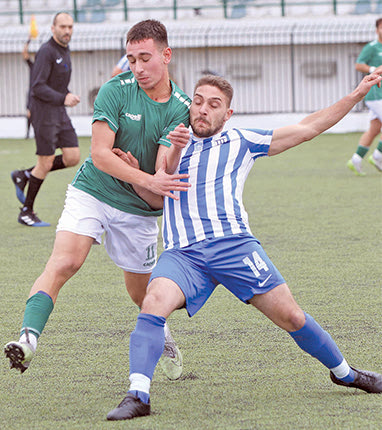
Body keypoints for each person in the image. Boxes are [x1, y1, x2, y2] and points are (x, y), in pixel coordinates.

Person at [107, 74, 382, 421]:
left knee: (293, 316)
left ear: (228, 114)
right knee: (153, 302)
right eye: (198, 101)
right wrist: (137, 175)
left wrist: (357, 93)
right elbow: (158, 194)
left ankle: (346, 373)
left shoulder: (242, 140)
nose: (202, 110)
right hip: (183, 254)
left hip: (235, 247)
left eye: (213, 104)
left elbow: (309, 127)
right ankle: (138, 395)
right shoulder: (172, 139)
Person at [4, 20, 191, 381]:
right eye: (131, 58)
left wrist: (148, 176)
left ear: (166, 56)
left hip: (139, 210)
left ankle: (163, 334)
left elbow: (160, 174)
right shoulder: (114, 90)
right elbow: (102, 155)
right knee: (64, 262)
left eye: (145, 58)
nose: (137, 68)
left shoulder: (180, 108)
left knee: (143, 295)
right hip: (93, 190)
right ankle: (27, 340)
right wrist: (145, 176)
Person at [10, 12, 81, 227]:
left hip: (59, 111)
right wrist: (64, 97)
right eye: (62, 26)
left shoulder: (64, 50)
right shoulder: (46, 51)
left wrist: (66, 95)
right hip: (43, 112)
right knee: (46, 161)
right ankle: (26, 211)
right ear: (53, 28)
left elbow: (56, 83)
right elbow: (38, 87)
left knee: (72, 157)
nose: (67, 30)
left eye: (70, 26)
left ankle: (24, 175)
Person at [347, 17, 382, 175]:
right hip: (376, 94)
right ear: (377, 30)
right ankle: (378, 155)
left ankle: (355, 159)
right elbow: (359, 64)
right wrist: (373, 69)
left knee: (374, 129)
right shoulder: (372, 47)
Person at [22, 39, 34, 139]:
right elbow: (25, 54)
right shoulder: (33, 66)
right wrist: (28, 41)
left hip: (43, 94)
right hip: (32, 93)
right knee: (29, 114)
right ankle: (28, 133)